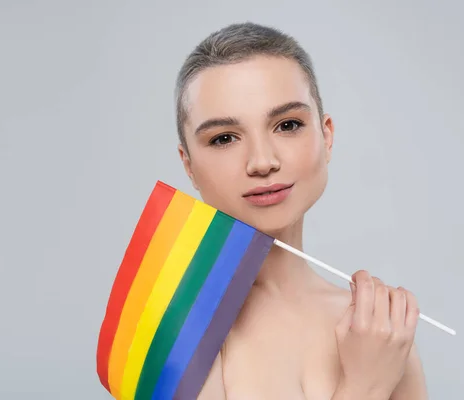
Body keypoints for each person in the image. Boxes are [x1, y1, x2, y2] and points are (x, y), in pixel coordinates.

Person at [173, 22, 428, 399]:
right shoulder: (177, 330)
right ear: (189, 164)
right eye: (224, 138)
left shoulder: (377, 331)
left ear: (326, 136)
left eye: (287, 124)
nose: (261, 161)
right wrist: (366, 386)